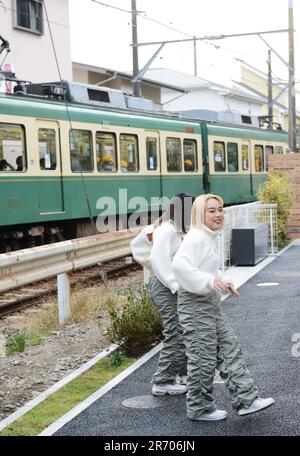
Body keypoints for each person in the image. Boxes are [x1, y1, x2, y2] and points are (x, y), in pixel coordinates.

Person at [172, 193, 275, 421]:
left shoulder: (207, 237)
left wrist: (222, 281)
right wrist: (209, 282)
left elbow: (206, 268)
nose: (218, 214)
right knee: (202, 357)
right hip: (194, 305)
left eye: (220, 209)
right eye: (212, 210)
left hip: (209, 302)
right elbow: (179, 266)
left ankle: (247, 400)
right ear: (200, 213)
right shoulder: (197, 237)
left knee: (229, 348)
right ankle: (199, 409)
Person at [148, 193, 195, 396]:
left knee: (183, 330)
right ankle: (162, 381)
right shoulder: (167, 229)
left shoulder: (179, 229)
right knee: (175, 331)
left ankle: (182, 374)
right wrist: (175, 285)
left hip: (174, 286)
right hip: (165, 286)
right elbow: (157, 260)